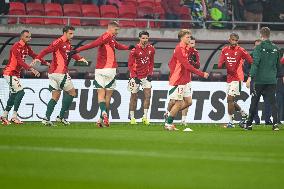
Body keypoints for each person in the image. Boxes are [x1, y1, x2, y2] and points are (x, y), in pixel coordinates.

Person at [69, 21, 133, 127]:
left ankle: (102, 115)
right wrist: (77, 50)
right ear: (110, 28)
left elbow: (97, 44)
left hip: (101, 70)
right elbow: (96, 44)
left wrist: (77, 50)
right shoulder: (107, 37)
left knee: (100, 94)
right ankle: (102, 118)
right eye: (116, 30)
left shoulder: (110, 38)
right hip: (111, 70)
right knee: (108, 96)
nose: (117, 32)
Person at [32, 26, 88, 126]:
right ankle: (61, 117)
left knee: (55, 96)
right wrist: (38, 58)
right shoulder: (58, 42)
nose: (72, 35)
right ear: (65, 33)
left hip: (52, 74)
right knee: (72, 93)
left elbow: (70, 54)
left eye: (73, 33)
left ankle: (46, 118)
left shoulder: (67, 43)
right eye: (70, 33)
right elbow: (46, 50)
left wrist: (80, 58)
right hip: (60, 73)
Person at [164, 29, 209, 131]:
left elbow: (194, 63)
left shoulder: (188, 49)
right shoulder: (179, 49)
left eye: (190, 37)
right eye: (187, 37)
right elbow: (187, 66)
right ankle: (168, 123)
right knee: (178, 103)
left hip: (185, 80)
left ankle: (169, 115)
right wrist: (202, 74)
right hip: (178, 80)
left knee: (188, 102)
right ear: (181, 38)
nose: (189, 39)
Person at [0, 30, 44, 125]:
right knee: (21, 92)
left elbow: (34, 55)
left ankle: (4, 116)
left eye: (30, 37)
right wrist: (31, 69)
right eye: (27, 36)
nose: (29, 38)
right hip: (10, 72)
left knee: (14, 94)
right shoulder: (16, 46)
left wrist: (45, 62)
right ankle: (14, 117)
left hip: (15, 74)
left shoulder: (26, 47)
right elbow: (19, 61)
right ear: (22, 37)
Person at [245, 27, 283, 131]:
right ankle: (275, 124)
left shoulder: (259, 47)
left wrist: (250, 77)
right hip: (272, 80)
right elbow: (278, 65)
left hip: (260, 80)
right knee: (273, 102)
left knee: (254, 101)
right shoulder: (276, 48)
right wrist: (280, 76)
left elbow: (255, 63)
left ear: (261, 35)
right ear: (269, 35)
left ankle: (249, 124)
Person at [218, 33, 253, 128]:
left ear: (238, 41)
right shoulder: (224, 50)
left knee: (229, 98)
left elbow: (251, 61)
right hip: (229, 78)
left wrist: (250, 75)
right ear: (229, 40)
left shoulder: (241, 50)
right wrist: (225, 64)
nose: (234, 42)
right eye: (233, 40)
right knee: (231, 100)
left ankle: (231, 122)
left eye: (236, 40)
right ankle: (243, 113)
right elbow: (220, 64)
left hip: (238, 78)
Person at [128, 31, 155, 125]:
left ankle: (145, 117)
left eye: (146, 38)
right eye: (143, 38)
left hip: (146, 76)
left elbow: (151, 62)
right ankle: (132, 118)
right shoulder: (134, 49)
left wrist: (150, 73)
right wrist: (134, 76)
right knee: (134, 97)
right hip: (135, 76)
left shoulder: (151, 49)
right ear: (139, 38)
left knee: (148, 96)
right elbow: (130, 65)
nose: (145, 40)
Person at [244, 39, 272, 125]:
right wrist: (252, 74)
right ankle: (256, 120)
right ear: (254, 47)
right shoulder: (250, 56)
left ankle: (268, 120)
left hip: (266, 82)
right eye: (256, 46)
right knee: (254, 101)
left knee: (268, 101)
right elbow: (245, 68)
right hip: (255, 82)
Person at [181, 36, 200, 126]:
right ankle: (169, 113)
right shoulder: (182, 50)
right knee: (175, 100)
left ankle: (183, 120)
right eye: (190, 43)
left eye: (193, 43)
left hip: (188, 79)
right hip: (178, 78)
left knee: (187, 101)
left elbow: (198, 66)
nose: (192, 45)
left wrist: (193, 61)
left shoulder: (195, 52)